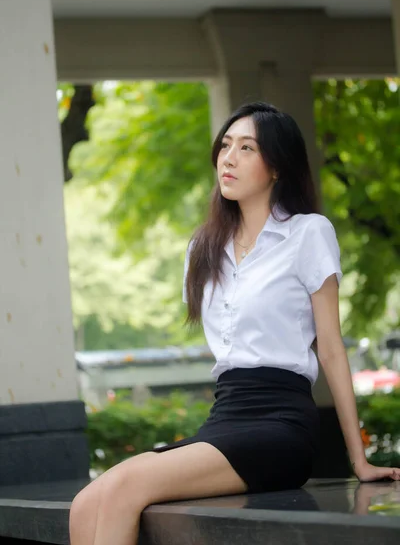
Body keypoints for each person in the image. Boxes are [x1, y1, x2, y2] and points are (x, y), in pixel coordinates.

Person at [69, 101, 400, 545]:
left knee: (126, 487)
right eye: (226, 144)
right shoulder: (204, 247)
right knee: (87, 501)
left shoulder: (308, 233)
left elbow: (332, 349)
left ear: (277, 167)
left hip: (281, 424)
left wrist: (358, 459)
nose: (228, 157)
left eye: (247, 148)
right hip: (226, 414)